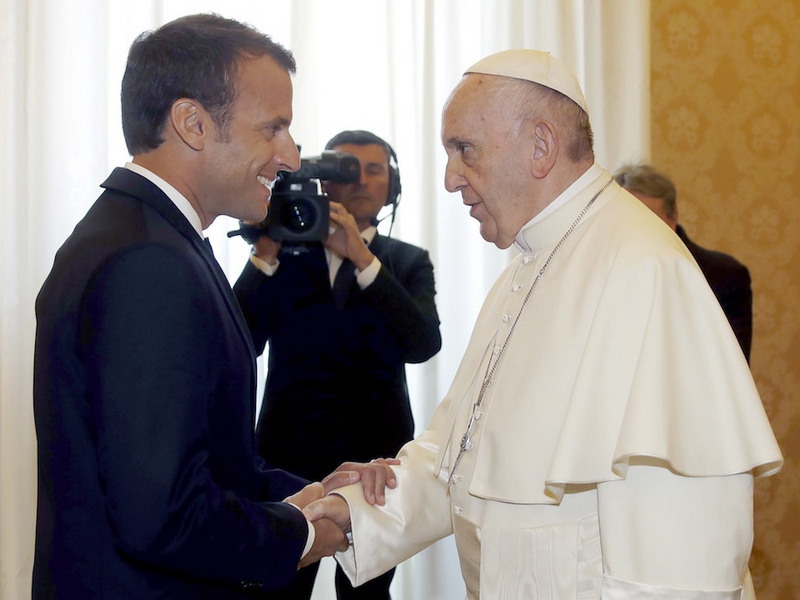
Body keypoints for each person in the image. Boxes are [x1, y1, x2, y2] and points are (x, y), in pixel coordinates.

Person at [303, 49, 783, 599]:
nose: (450, 178)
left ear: (540, 145)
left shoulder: (642, 268)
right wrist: (354, 511)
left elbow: (683, 561)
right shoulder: (526, 268)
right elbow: (461, 451)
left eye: (464, 149)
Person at [32, 14, 394, 600]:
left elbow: (200, 460)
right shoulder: (148, 261)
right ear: (193, 123)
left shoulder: (149, 235)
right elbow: (162, 515)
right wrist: (304, 533)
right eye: (273, 128)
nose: (291, 158)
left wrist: (310, 492)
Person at [233, 129, 442, 599]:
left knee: (367, 594)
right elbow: (237, 341)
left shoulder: (406, 262)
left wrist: (363, 260)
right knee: (278, 586)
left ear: (392, 185)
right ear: (323, 181)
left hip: (375, 463)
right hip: (286, 457)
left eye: (375, 170)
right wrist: (265, 253)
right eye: (348, 169)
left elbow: (423, 344)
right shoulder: (284, 255)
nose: (362, 180)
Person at [614, 163, 753, 361]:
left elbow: (731, 361)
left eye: (648, 217)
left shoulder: (724, 275)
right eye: (628, 217)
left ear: (673, 218)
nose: (637, 227)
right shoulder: (602, 272)